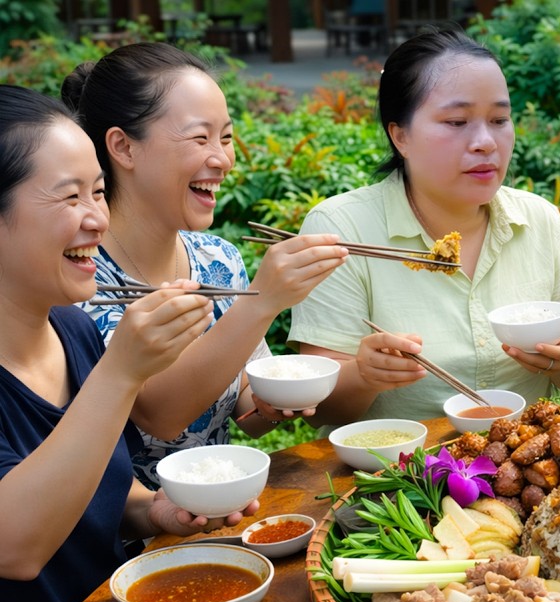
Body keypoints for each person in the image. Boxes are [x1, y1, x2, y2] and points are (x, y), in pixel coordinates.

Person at [0, 85, 259, 602]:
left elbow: (99, 490)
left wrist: (160, 510)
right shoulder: (100, 351)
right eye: (70, 197)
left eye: (97, 192)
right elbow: (16, 546)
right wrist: (122, 372)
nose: (97, 218)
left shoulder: (73, 330)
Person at [290, 28, 560, 426]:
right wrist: (364, 375)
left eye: (500, 119)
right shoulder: (340, 230)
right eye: (457, 121)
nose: (485, 142)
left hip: (525, 457)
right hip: (399, 464)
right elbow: (319, 409)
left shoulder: (538, 218)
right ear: (400, 136)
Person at [61, 43, 349, 486]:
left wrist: (274, 404)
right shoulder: (78, 276)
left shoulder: (218, 258)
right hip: (131, 522)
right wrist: (262, 302)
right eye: (200, 138)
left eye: (226, 138)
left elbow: (247, 407)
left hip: (223, 506)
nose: (222, 159)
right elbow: (162, 415)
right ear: (123, 147)